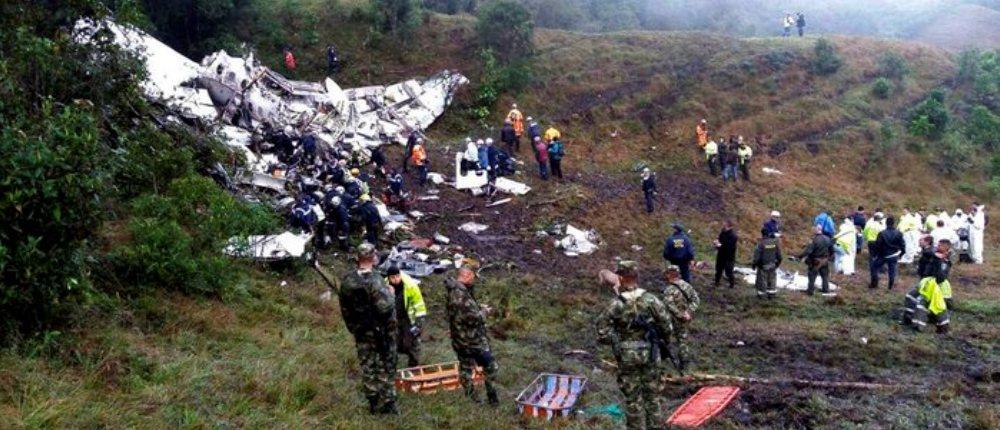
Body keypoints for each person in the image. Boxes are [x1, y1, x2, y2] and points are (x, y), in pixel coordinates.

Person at [596, 261, 673, 430]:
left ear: (621, 278)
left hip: (627, 356)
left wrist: (618, 341)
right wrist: (662, 341)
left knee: (632, 399)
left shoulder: (616, 303)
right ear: (637, 277)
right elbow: (667, 326)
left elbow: (602, 331)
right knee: (653, 397)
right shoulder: (651, 300)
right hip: (651, 353)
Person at [338, 243, 398, 414]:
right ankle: (387, 403)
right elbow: (384, 307)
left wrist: (353, 327)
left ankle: (372, 399)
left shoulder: (348, 281)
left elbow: (345, 308)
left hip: (361, 330)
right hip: (381, 331)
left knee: (367, 364)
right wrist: (391, 294)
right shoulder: (376, 280)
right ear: (373, 258)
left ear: (358, 258)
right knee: (385, 364)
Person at [446, 267, 500, 405]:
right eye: (473, 276)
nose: (474, 279)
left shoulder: (455, 291)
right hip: (472, 341)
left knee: (465, 368)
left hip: (459, 339)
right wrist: (484, 312)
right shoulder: (460, 294)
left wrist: (476, 307)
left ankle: (472, 399)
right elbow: (473, 319)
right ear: (467, 275)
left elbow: (463, 313)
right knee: (491, 366)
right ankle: (492, 400)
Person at [654, 265, 700, 375]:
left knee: (664, 339)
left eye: (667, 273)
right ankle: (684, 365)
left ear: (670, 274)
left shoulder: (669, 290)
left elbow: (668, 304)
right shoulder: (687, 286)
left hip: (670, 319)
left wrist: (679, 314)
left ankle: (663, 361)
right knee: (682, 341)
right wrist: (688, 312)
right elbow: (696, 300)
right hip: (684, 320)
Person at [902, 240, 952, 333]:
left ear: (946, 249)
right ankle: (909, 319)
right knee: (911, 297)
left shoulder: (944, 262)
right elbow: (927, 253)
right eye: (938, 245)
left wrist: (937, 260)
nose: (937, 247)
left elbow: (940, 277)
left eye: (940, 246)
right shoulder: (934, 255)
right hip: (927, 283)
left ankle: (940, 327)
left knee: (934, 305)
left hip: (936, 287)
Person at [386, 267, 427, 367]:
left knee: (412, 343)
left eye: (397, 276)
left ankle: (414, 366)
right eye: (393, 277)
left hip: (407, 318)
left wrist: (419, 323)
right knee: (391, 344)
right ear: (389, 278)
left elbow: (419, 305)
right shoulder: (383, 286)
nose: (396, 279)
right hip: (392, 319)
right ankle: (391, 367)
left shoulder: (410, 285)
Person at [796, 225, 835, 296]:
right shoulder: (828, 239)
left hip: (815, 261)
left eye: (813, 230)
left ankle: (810, 291)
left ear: (816, 230)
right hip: (825, 260)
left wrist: (799, 257)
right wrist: (829, 258)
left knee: (812, 276)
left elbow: (808, 251)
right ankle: (825, 289)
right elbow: (832, 250)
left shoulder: (814, 240)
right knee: (825, 276)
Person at [870, 215, 906, 290]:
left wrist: (875, 254)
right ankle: (890, 286)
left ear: (886, 223)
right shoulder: (899, 233)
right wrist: (901, 254)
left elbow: (878, 245)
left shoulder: (882, 233)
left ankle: (874, 283)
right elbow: (902, 245)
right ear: (894, 223)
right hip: (894, 255)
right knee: (892, 271)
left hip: (883, 255)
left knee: (874, 267)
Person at [752, 229, 782, 299]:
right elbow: (779, 254)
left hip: (763, 265)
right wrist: (778, 262)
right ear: (768, 234)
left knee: (762, 280)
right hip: (773, 264)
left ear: (762, 234)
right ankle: (772, 293)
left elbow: (757, 255)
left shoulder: (761, 244)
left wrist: (754, 264)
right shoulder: (775, 243)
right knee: (772, 279)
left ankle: (762, 294)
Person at [714, 220, 738, 288]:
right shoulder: (723, 232)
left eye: (725, 224)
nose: (723, 225)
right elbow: (719, 239)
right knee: (718, 270)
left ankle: (732, 284)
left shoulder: (733, 236)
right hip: (721, 255)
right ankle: (716, 282)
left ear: (728, 225)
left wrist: (720, 245)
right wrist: (716, 242)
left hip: (729, 257)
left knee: (729, 272)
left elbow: (729, 247)